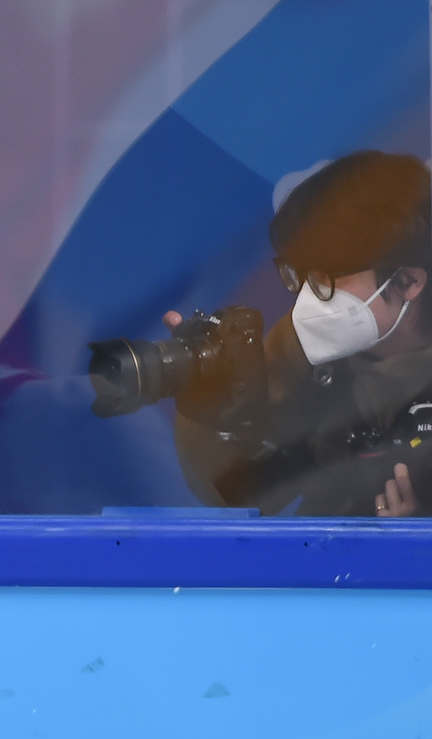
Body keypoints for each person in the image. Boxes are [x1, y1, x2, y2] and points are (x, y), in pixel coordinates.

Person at [165, 151, 432, 517]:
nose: (309, 298)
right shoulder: (305, 349)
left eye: (328, 277)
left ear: (408, 281)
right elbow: (236, 494)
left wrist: (418, 535)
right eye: (301, 274)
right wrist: (211, 411)